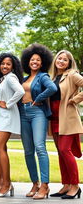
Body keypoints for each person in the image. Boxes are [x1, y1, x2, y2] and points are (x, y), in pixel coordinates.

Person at [20, 43, 57, 200]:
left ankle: (45, 185)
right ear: (28, 62)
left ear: (42, 63)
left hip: (37, 113)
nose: (34, 62)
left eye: (38, 60)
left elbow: (52, 89)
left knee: (40, 147)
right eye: (32, 60)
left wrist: (38, 98)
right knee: (28, 151)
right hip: (23, 113)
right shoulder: (25, 78)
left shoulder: (43, 76)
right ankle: (35, 183)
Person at [49, 50, 83, 199]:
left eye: (65, 60)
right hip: (54, 118)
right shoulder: (52, 77)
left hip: (67, 118)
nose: (61, 61)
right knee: (60, 153)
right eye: (59, 58)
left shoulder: (72, 75)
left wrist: (75, 99)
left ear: (69, 63)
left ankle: (75, 185)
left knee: (65, 150)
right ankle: (66, 184)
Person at [0, 53, 25, 197]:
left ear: (13, 66)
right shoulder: (2, 80)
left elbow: (21, 91)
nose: (5, 66)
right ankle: (3, 182)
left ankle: (6, 183)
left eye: (8, 64)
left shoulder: (11, 77)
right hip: (0, 118)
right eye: (3, 63)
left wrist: (8, 104)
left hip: (7, 117)